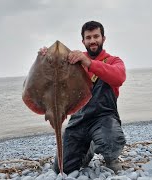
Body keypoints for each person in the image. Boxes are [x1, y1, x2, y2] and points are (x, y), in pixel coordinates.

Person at [39, 20, 126, 174]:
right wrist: (45, 59)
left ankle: (110, 156)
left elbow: (119, 77)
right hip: (78, 120)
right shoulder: (73, 61)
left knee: (110, 142)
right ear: (83, 41)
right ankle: (88, 148)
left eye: (96, 36)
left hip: (103, 118)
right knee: (61, 168)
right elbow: (52, 76)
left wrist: (89, 63)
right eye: (88, 37)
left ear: (103, 39)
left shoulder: (113, 61)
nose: (92, 41)